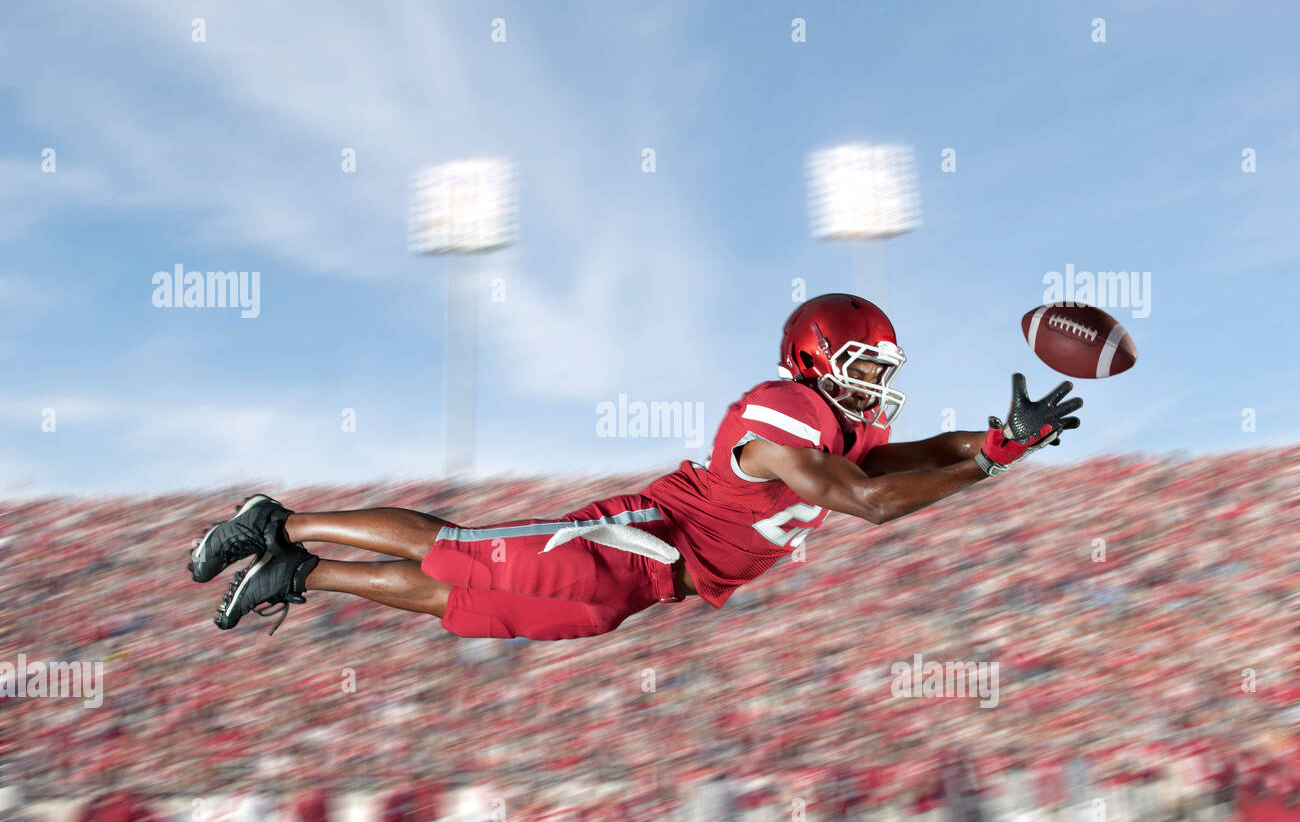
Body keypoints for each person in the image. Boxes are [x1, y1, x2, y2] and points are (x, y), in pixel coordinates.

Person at [187, 293, 1082, 640]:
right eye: (863, 367)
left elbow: (918, 459)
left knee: (468, 607)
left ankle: (302, 571)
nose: (877, 386)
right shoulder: (785, 409)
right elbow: (868, 504)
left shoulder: (842, 424)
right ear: (814, 360)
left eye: (881, 371)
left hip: (651, 591)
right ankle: (281, 519)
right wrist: (993, 466)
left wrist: (1001, 438)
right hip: (633, 543)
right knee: (458, 551)